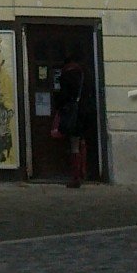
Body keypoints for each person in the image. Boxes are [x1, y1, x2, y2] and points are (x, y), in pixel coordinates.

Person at [55, 51, 87, 188]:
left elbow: (63, 96)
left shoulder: (66, 75)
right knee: (82, 141)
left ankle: (76, 177)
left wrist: (59, 108)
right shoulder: (84, 74)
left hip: (72, 113)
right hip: (84, 112)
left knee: (74, 145)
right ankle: (83, 172)